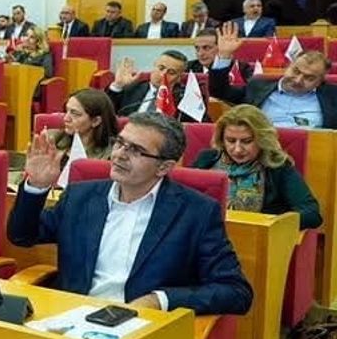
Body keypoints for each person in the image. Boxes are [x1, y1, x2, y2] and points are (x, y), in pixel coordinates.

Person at [10, 112, 253, 315]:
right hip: (73, 315)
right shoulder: (80, 197)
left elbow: (236, 291)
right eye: (120, 143)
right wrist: (37, 187)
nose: (119, 155)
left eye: (136, 150)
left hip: (140, 327)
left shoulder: (196, 212)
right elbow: (22, 236)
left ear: (164, 167)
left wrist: (160, 300)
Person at [190, 105, 321, 228]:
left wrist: (272, 223)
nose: (237, 149)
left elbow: (312, 213)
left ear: (262, 139)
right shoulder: (207, 159)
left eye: (247, 141)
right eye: (230, 140)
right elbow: (183, 198)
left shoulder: (277, 166)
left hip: (257, 240)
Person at [209, 23, 337, 129]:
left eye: (309, 78)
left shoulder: (332, 96)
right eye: (296, 71)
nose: (298, 80)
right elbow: (220, 92)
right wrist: (224, 56)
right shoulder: (258, 86)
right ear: (288, 66)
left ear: (320, 81)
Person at [106, 50, 195, 119]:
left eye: (171, 72)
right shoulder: (133, 88)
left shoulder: (185, 100)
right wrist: (117, 85)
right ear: (154, 66)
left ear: (179, 78)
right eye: (161, 68)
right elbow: (105, 112)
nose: (162, 74)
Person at [45, 89, 120, 160]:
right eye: (66, 111)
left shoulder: (113, 153)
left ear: (95, 121)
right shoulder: (51, 138)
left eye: (75, 113)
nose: (65, 118)